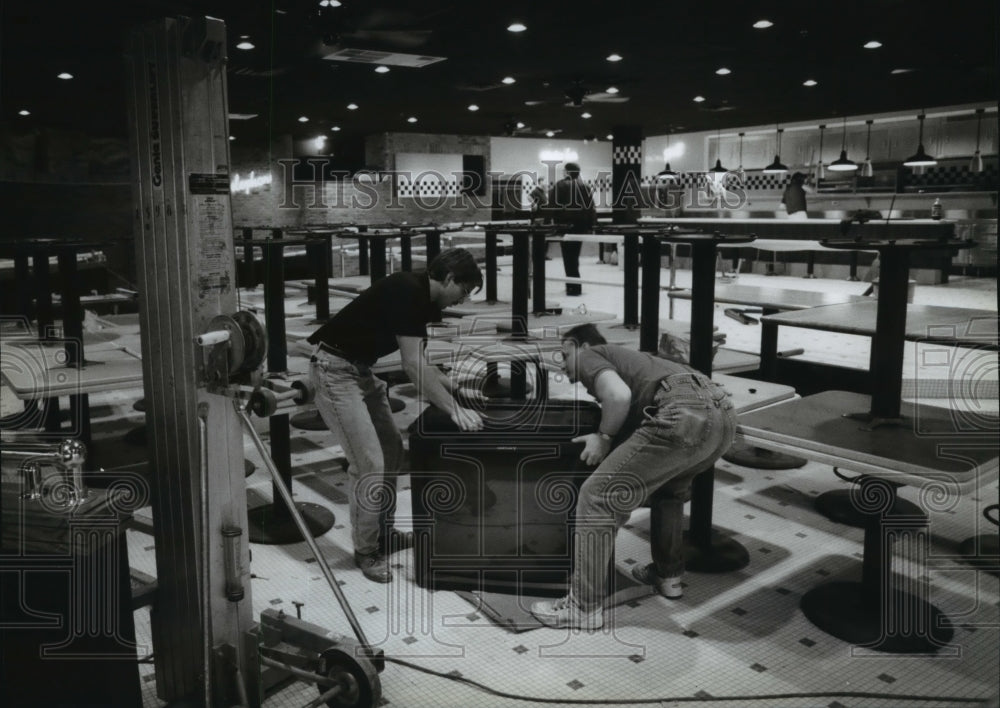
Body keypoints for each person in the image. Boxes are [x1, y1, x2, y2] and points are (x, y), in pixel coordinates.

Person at [530, 324, 736, 630]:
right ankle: (668, 576)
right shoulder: (638, 363)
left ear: (582, 347)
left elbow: (617, 395)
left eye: (564, 354)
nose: (561, 363)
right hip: (724, 416)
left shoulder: (592, 355)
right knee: (670, 492)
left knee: (597, 497)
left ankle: (582, 607)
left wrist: (603, 435)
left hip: (681, 411)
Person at [306, 248, 486, 583]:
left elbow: (422, 361)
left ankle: (383, 532)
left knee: (391, 452)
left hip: (361, 370)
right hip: (334, 372)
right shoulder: (408, 291)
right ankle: (366, 550)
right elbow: (413, 366)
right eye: (463, 292)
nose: (462, 301)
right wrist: (454, 409)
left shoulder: (424, 299)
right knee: (369, 463)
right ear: (448, 278)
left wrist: (460, 390)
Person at [543, 162, 596, 295]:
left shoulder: (560, 185)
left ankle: (572, 286)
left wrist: (547, 223)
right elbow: (591, 208)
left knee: (568, 257)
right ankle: (575, 285)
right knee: (575, 256)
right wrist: (591, 226)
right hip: (581, 226)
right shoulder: (585, 186)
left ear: (567, 172)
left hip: (565, 226)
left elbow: (552, 206)